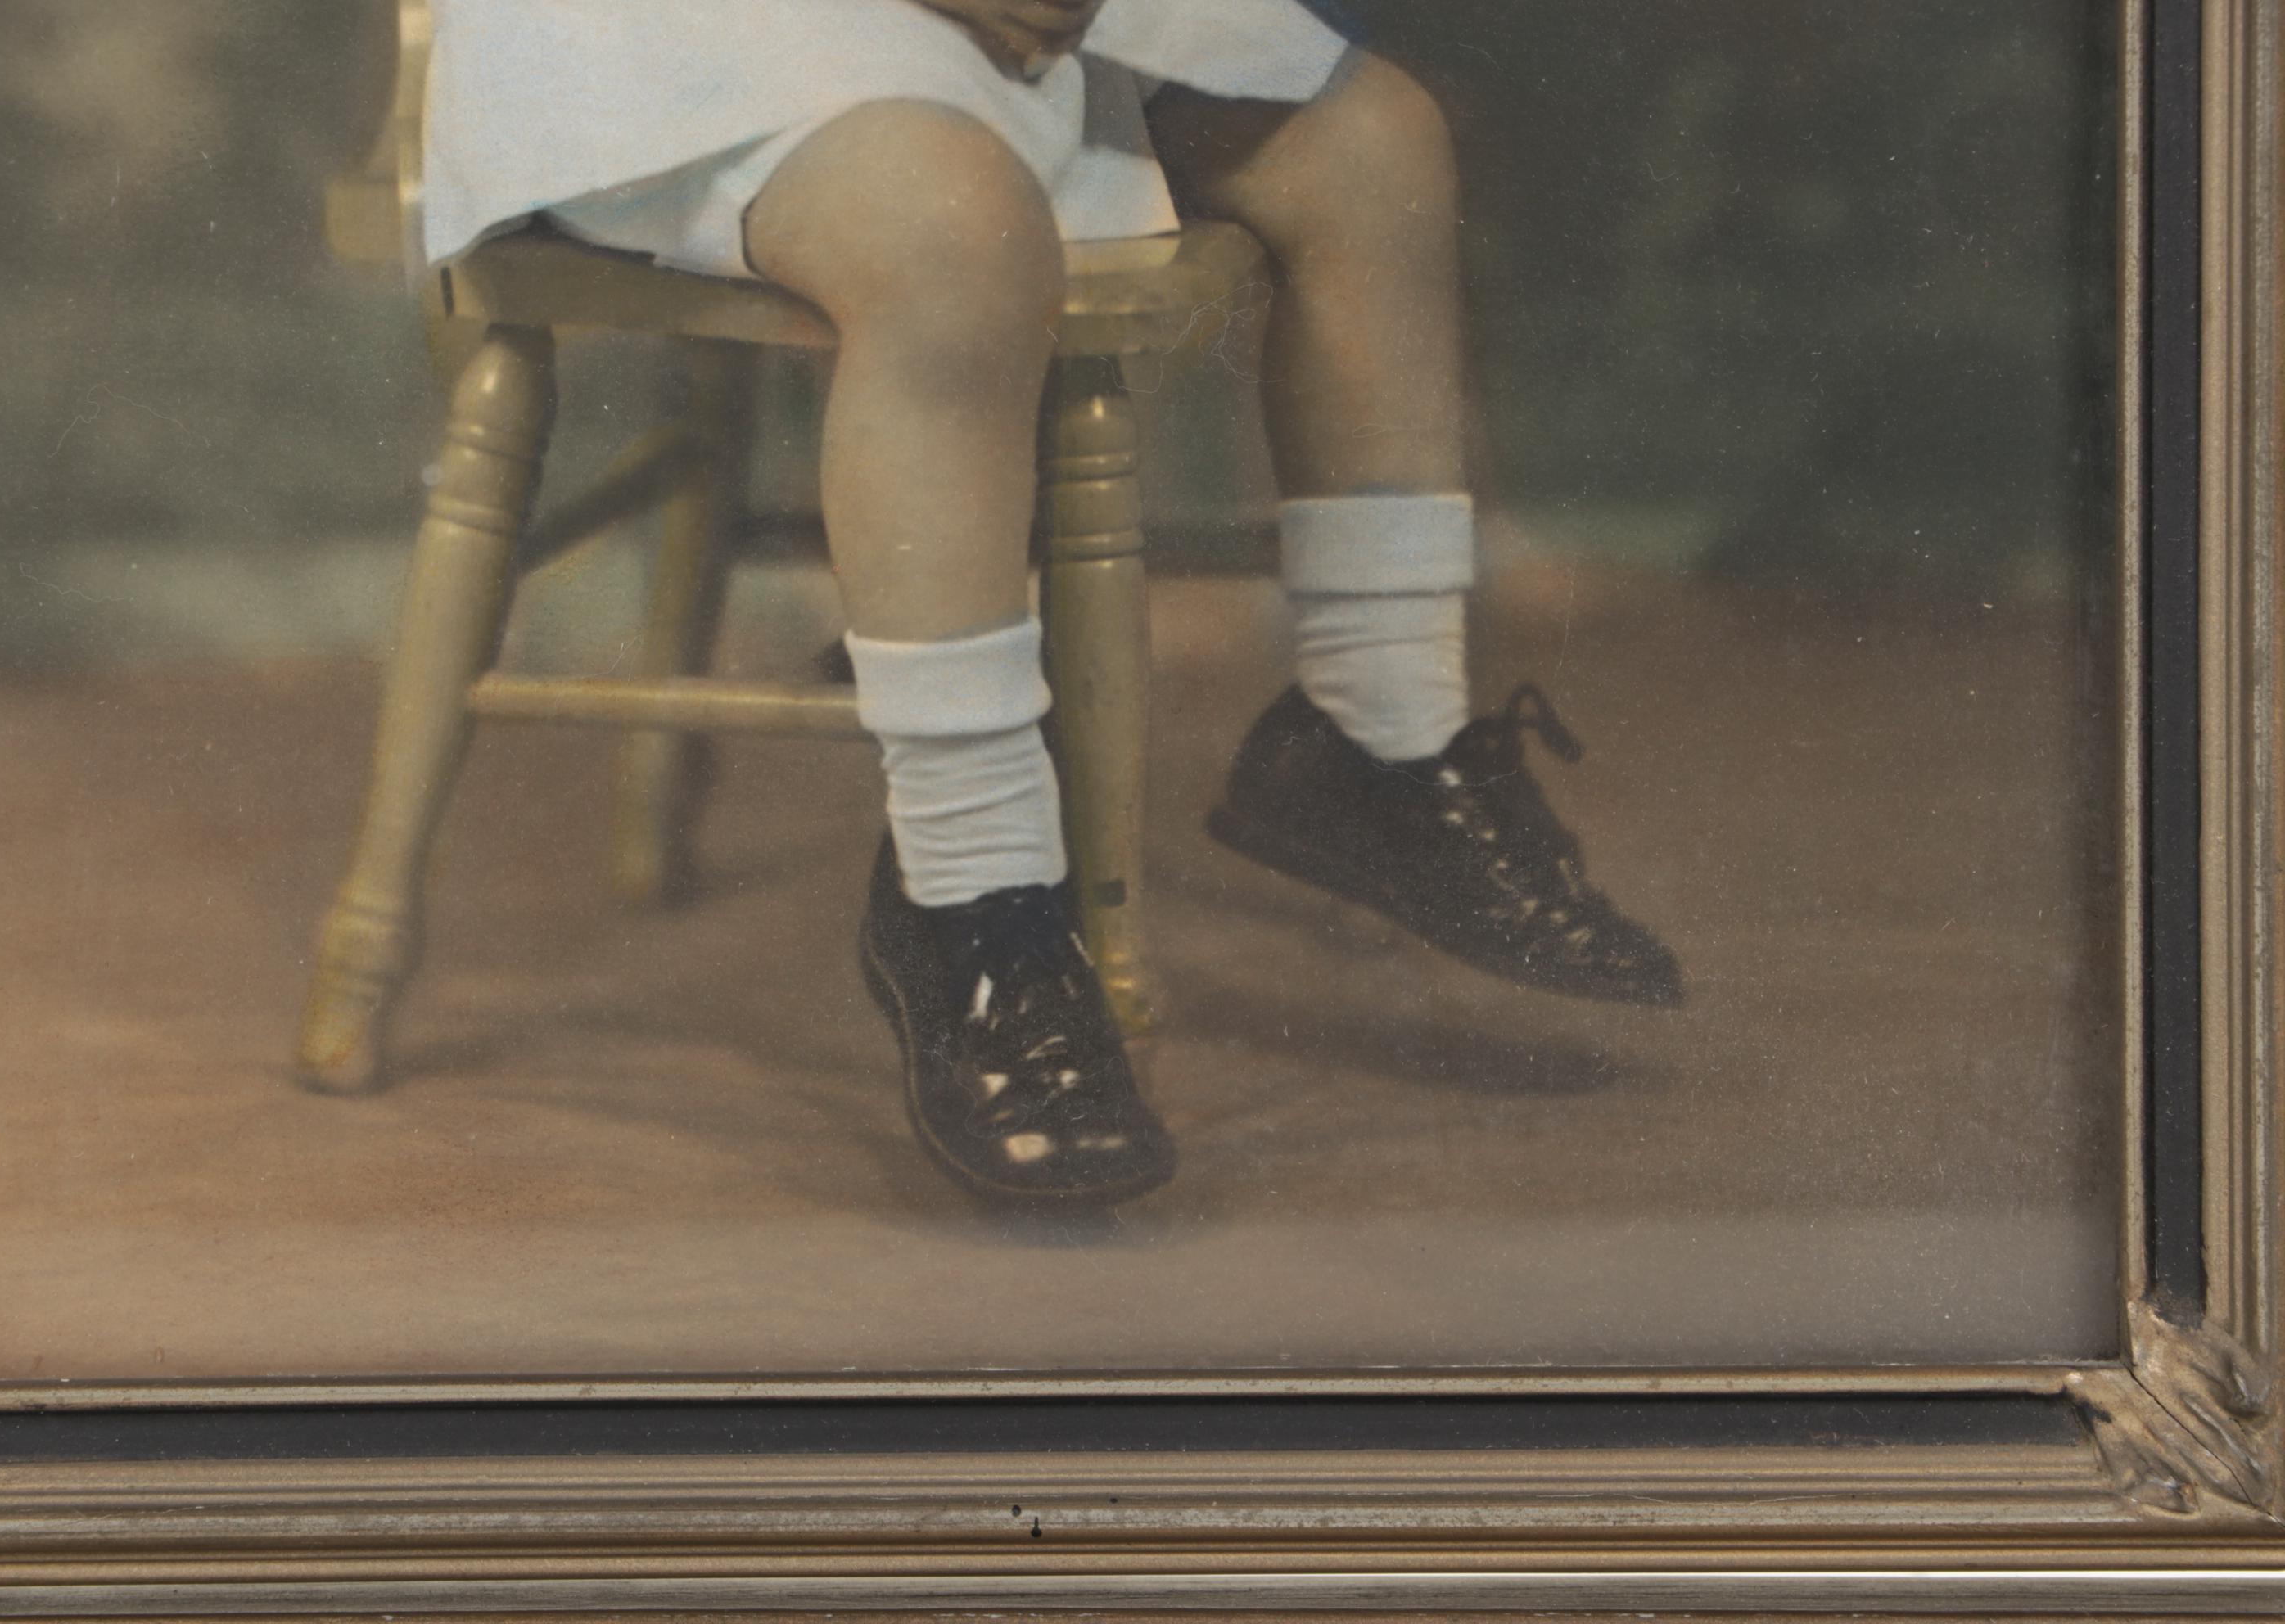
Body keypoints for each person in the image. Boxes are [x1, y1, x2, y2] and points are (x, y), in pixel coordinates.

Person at [423, 0, 1682, 1209]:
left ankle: (1382, 730)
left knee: (1373, 141)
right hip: (705, 43)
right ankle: (975, 894)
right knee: (955, 230)